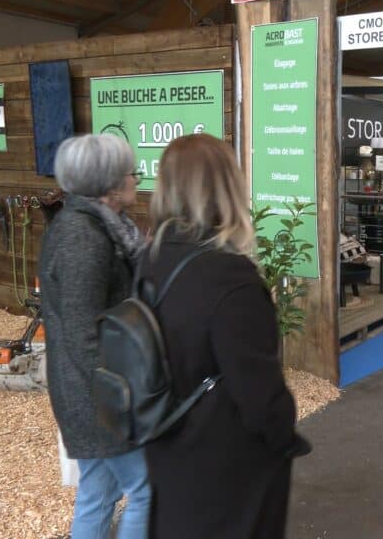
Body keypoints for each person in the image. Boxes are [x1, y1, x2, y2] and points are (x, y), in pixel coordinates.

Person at [144, 134, 310, 538]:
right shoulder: (230, 278)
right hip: (225, 472)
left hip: (164, 449)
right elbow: (260, 397)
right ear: (226, 188)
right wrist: (284, 435)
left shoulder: (147, 260)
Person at [39, 134, 149, 539]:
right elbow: (82, 332)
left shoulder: (98, 227)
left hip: (89, 390)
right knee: (145, 490)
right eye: (130, 172)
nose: (136, 179)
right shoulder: (82, 237)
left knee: (99, 492)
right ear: (109, 184)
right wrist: (119, 395)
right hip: (95, 396)